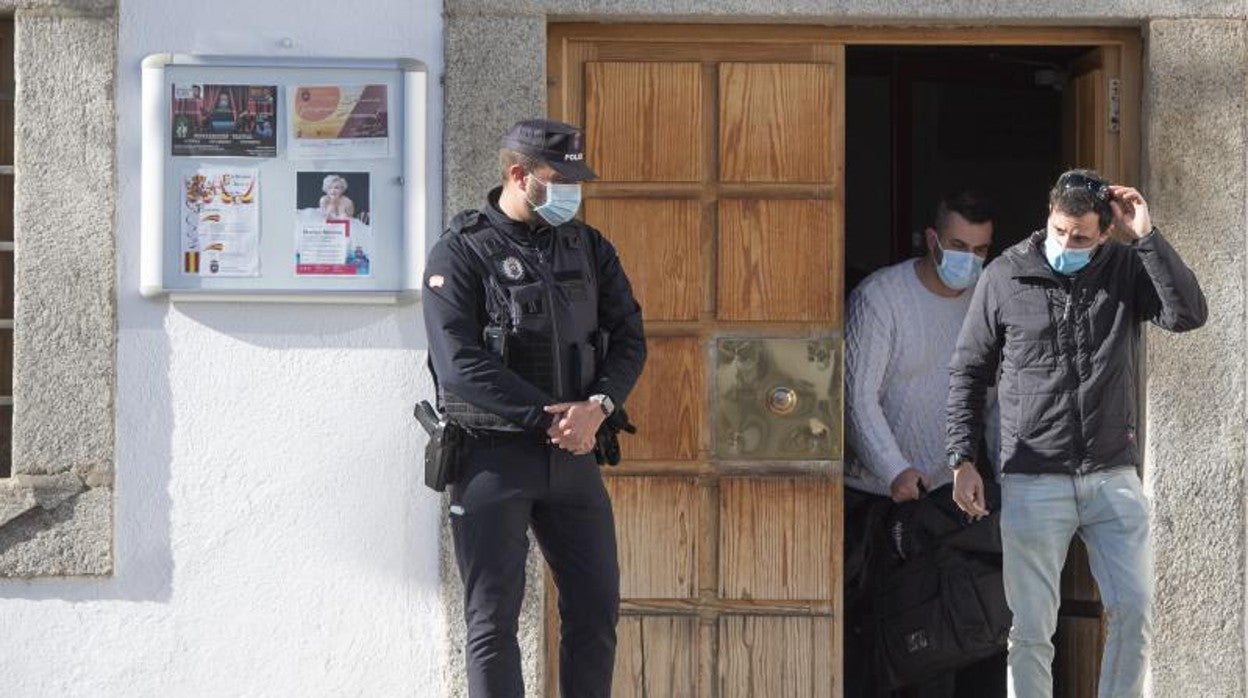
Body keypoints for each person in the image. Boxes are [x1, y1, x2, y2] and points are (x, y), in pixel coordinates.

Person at [946, 170, 1207, 697]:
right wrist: (962, 458)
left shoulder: (1127, 268)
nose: (1066, 243)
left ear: (1106, 233)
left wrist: (1148, 238)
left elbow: (1187, 314)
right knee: (1032, 632)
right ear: (1048, 216)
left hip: (1111, 473)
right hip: (1033, 476)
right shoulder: (1005, 275)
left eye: (1081, 236)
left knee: (1134, 612)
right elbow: (968, 370)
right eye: (1059, 230)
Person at [422, 118, 646, 698]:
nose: (571, 192)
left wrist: (598, 407)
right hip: (492, 462)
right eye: (558, 180)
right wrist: (550, 417)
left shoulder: (589, 247)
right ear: (518, 175)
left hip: (574, 458)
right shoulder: (463, 250)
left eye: (576, 181)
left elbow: (629, 338)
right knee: (494, 621)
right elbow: (459, 364)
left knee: (596, 611)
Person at [843, 190, 1006, 697]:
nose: (969, 260)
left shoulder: (989, 306)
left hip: (947, 502)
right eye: (959, 245)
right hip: (872, 504)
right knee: (874, 646)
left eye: (981, 251)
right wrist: (893, 468)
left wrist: (1003, 477)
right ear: (932, 240)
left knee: (942, 645)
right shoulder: (881, 298)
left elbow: (997, 402)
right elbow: (855, 396)